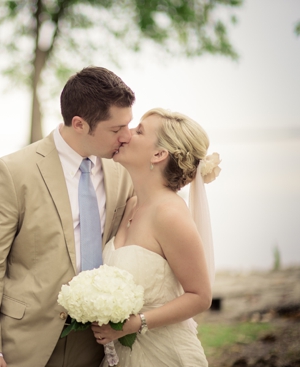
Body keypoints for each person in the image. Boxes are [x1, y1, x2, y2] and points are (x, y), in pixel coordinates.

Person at [0, 66, 136, 367]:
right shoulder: (13, 171)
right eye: (116, 129)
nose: (126, 137)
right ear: (79, 124)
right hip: (27, 340)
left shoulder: (122, 171)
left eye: (129, 125)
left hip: (99, 343)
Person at [90, 108, 218, 366]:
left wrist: (136, 323)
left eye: (138, 131)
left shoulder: (170, 214)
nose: (126, 135)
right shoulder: (131, 204)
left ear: (159, 154)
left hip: (166, 356)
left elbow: (200, 296)